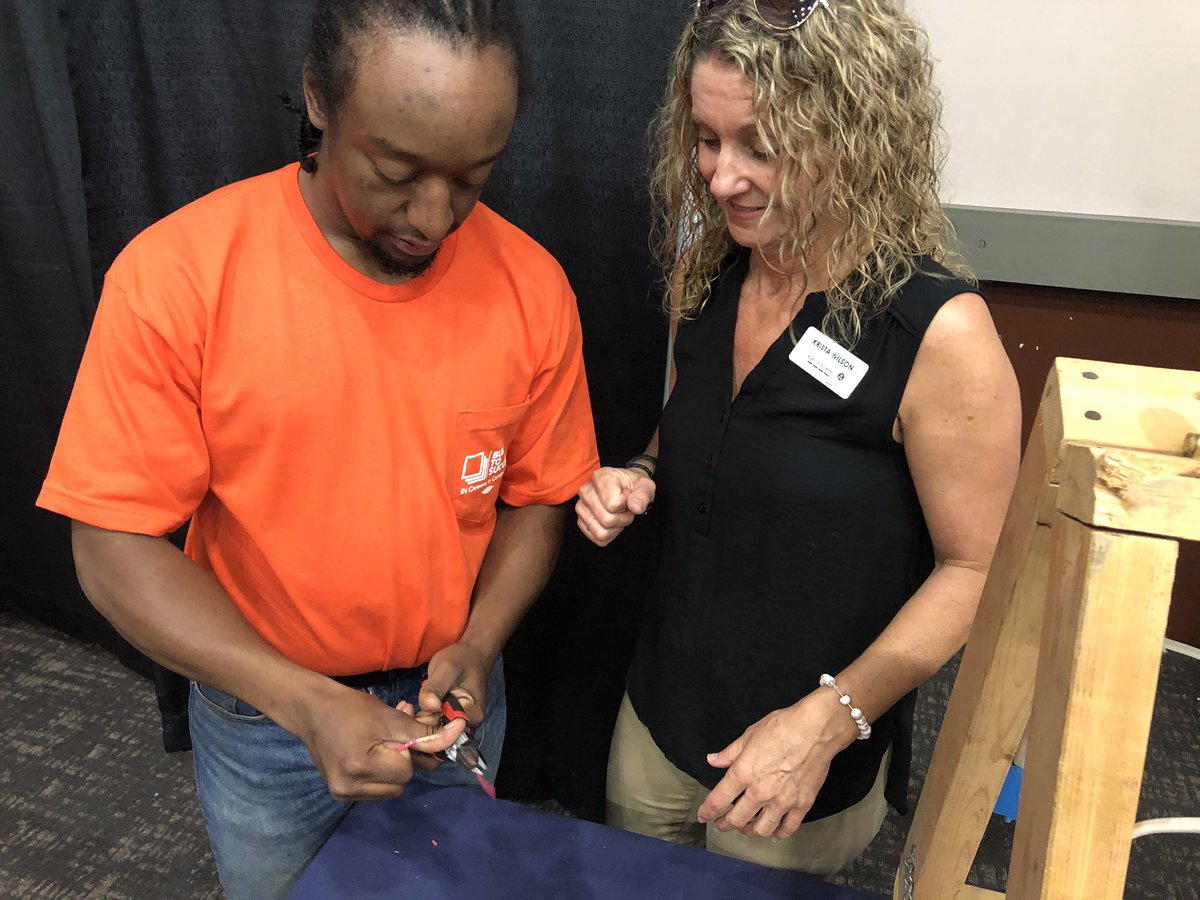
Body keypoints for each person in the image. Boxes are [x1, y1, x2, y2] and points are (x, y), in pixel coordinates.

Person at [36, 1, 598, 896]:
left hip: (449, 708)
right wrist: (300, 702)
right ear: (318, 98)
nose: (434, 216)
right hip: (264, 718)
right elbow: (111, 541)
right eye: (396, 172)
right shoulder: (180, 277)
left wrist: (479, 642)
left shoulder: (531, 287)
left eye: (472, 177)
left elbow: (537, 497)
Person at [575, 0, 1021, 876]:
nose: (720, 179)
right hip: (661, 709)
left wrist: (831, 721)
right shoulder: (707, 275)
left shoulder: (937, 333)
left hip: (799, 755)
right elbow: (697, 428)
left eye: (762, 147)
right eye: (707, 140)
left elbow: (977, 571)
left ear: (858, 138)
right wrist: (641, 472)